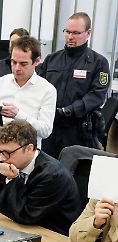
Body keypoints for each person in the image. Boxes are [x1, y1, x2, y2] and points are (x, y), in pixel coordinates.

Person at [0, 120, 81, 235]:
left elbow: (26, 215)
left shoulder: (52, 175)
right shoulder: (12, 162)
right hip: (24, 228)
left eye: (7, 153)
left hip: (53, 236)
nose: (1, 158)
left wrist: (12, 180)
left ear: (29, 149)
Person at [38, 12, 110, 158]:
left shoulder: (98, 63)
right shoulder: (52, 59)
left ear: (88, 33)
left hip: (77, 129)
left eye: (76, 33)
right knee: (45, 166)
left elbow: (97, 95)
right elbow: (38, 86)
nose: (70, 37)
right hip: (51, 126)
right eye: (67, 32)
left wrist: (70, 110)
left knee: (72, 168)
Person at [0, 35, 56, 147]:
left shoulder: (47, 90)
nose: (17, 68)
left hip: (27, 152)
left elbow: (45, 131)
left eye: (23, 64)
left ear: (37, 61)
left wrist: (18, 115)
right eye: (13, 62)